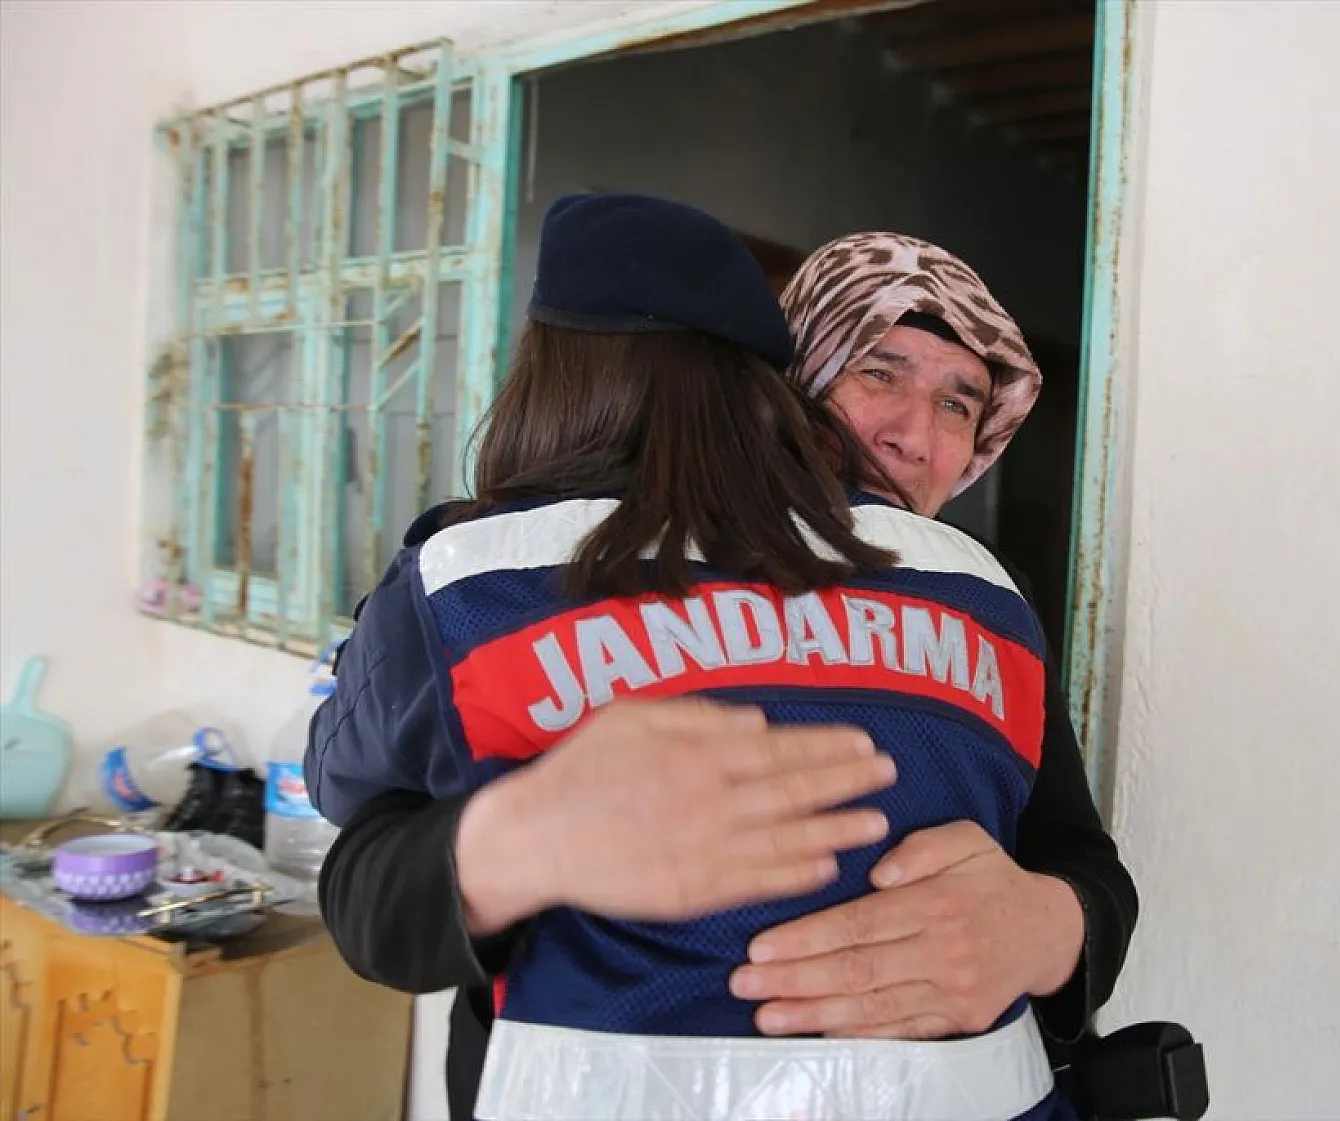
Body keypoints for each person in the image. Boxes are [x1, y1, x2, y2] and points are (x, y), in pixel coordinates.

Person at [312, 222, 1139, 1119]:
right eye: (880, 371)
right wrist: (515, 845)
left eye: (960, 403)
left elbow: (1077, 856)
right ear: (792, 383)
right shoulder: (516, 576)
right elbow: (371, 894)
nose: (915, 436)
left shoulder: (984, 599)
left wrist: (1050, 928)